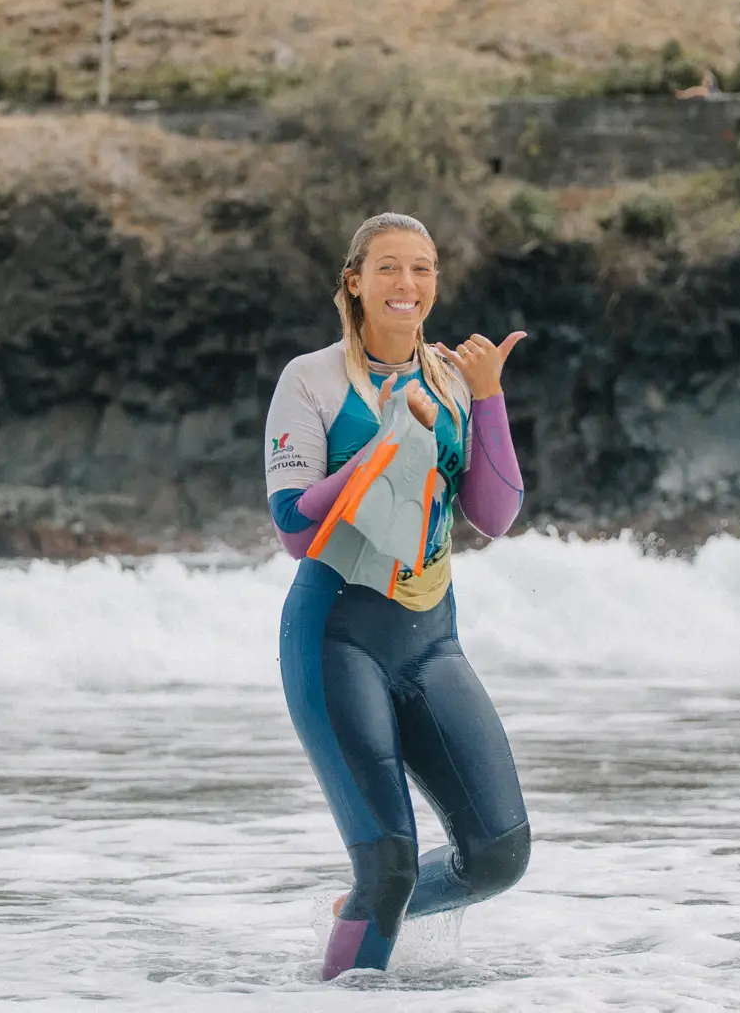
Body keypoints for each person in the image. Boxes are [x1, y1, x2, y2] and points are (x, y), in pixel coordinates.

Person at [264, 212, 530, 979]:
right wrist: (384, 444)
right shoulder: (311, 380)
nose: (405, 283)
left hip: (431, 640)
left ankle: (361, 915)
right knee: (388, 866)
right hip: (335, 636)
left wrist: (488, 397)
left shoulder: (452, 379)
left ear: (435, 282)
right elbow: (294, 528)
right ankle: (359, 949)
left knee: (498, 854)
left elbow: (495, 516)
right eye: (387, 267)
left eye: (421, 268)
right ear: (354, 281)